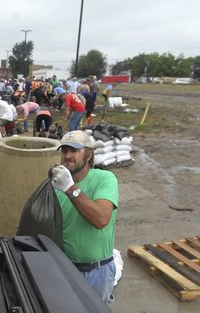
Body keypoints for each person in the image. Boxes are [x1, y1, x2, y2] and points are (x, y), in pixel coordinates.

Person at [49, 130, 119, 304]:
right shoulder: (56, 186)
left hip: (98, 272)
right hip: (66, 268)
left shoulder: (104, 179)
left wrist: (70, 188)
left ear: (89, 155)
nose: (67, 156)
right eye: (64, 151)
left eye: (74, 151)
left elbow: (101, 219)